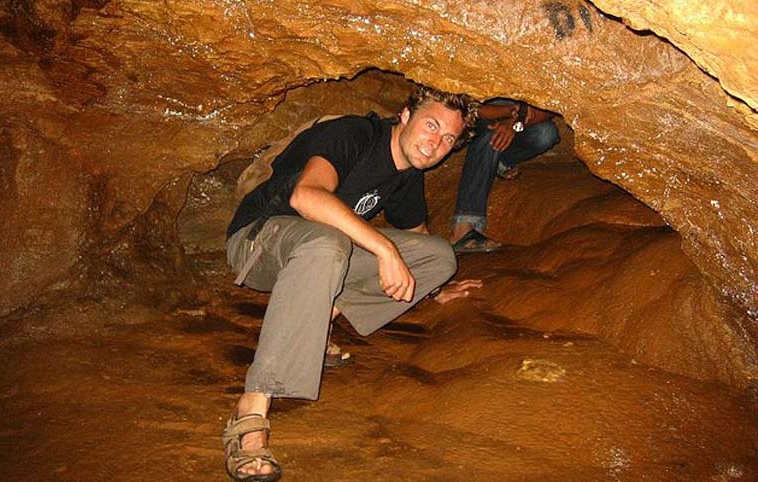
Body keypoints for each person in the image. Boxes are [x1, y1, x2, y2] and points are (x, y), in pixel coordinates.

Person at [222, 86, 479, 481]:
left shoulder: (407, 175)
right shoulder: (353, 134)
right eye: (431, 125)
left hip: (321, 253)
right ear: (405, 116)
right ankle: (252, 408)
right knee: (329, 242)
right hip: (258, 240)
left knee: (441, 256)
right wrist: (384, 250)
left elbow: (421, 241)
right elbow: (306, 197)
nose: (436, 144)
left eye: (448, 139)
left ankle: (315, 321)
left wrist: (434, 287)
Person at [451, 98, 560, 252]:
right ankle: (463, 229)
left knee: (546, 133)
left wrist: (513, 123)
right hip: (483, 118)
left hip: (519, 120)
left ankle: (499, 163)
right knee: (491, 135)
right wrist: (509, 111)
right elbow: (470, 107)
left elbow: (551, 109)